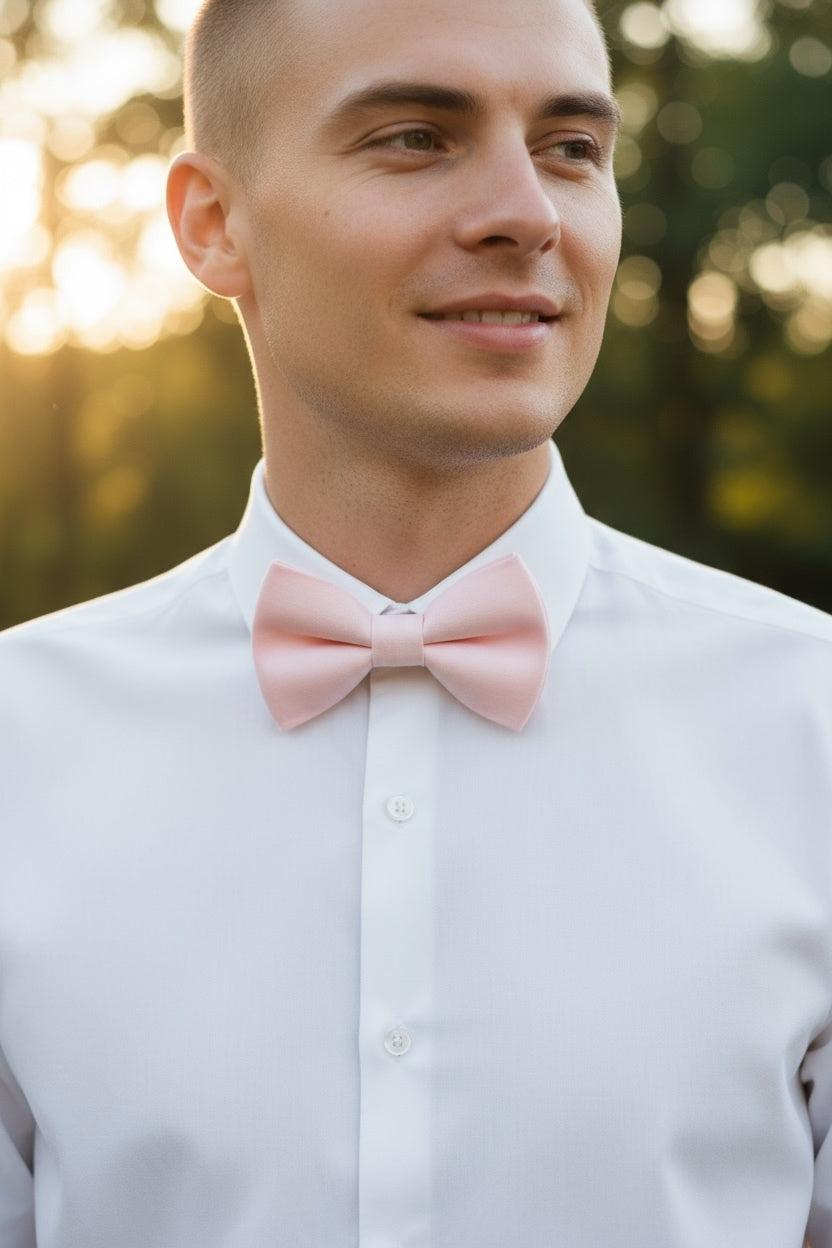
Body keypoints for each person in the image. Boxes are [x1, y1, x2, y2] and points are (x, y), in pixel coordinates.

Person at [1, 0, 831, 1243]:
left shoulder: (810, 725)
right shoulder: (19, 743)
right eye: (412, 137)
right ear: (212, 224)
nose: (529, 212)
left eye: (570, 149)